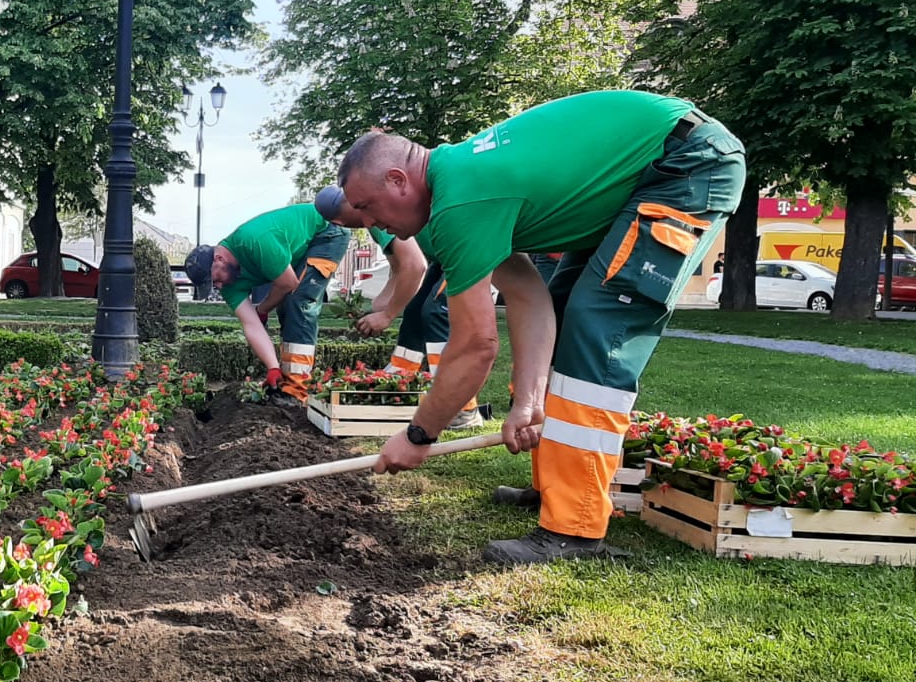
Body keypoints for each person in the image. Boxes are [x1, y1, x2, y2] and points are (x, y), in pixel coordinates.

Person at [337, 90, 745, 564]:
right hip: (642, 173)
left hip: (685, 164)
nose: (367, 222)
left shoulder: (461, 202)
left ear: (397, 180)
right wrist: (528, 402)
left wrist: (418, 437)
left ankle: (575, 528)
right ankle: (556, 485)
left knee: (598, 324)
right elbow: (528, 298)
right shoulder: (451, 193)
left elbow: (475, 345)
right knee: (567, 305)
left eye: (366, 207)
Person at [313, 188, 485, 427]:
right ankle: (402, 376)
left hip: (465, 248)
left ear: (338, 220)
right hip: (445, 253)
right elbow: (399, 269)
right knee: (415, 312)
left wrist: (387, 314)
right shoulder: (373, 211)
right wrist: (383, 306)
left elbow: (414, 266)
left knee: (435, 314)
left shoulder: (372, 216)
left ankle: (461, 408)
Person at [182, 203, 353, 403]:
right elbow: (251, 323)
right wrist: (272, 367)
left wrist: (263, 308)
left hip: (327, 231)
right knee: (286, 303)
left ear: (219, 258)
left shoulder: (255, 242)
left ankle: (297, 391)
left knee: (298, 301)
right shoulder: (228, 284)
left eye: (215, 280)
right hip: (298, 250)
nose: (218, 286)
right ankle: (286, 382)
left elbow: (289, 282)